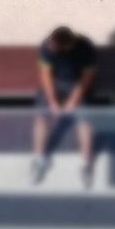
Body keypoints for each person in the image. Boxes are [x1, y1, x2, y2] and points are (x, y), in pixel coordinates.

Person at [31, 26, 96, 186]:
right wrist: (52, 101)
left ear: (67, 46)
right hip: (55, 83)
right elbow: (46, 76)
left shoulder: (86, 47)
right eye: (51, 44)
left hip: (76, 83)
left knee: (85, 121)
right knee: (41, 117)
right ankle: (39, 159)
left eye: (55, 46)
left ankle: (85, 164)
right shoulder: (47, 45)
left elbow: (87, 77)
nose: (50, 47)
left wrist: (73, 101)